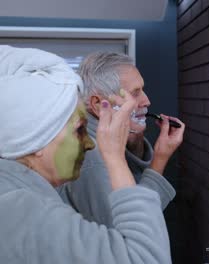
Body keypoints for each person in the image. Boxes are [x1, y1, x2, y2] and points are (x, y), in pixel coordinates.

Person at [0, 45, 171, 263]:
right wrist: (115, 159)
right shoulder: (24, 213)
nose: (89, 144)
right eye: (79, 129)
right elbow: (144, 256)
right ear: (36, 140)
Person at [58, 52, 184, 226]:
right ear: (97, 104)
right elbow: (133, 230)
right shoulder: (89, 157)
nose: (146, 101)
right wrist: (160, 159)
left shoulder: (100, 139)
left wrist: (135, 143)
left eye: (143, 90)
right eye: (135, 93)